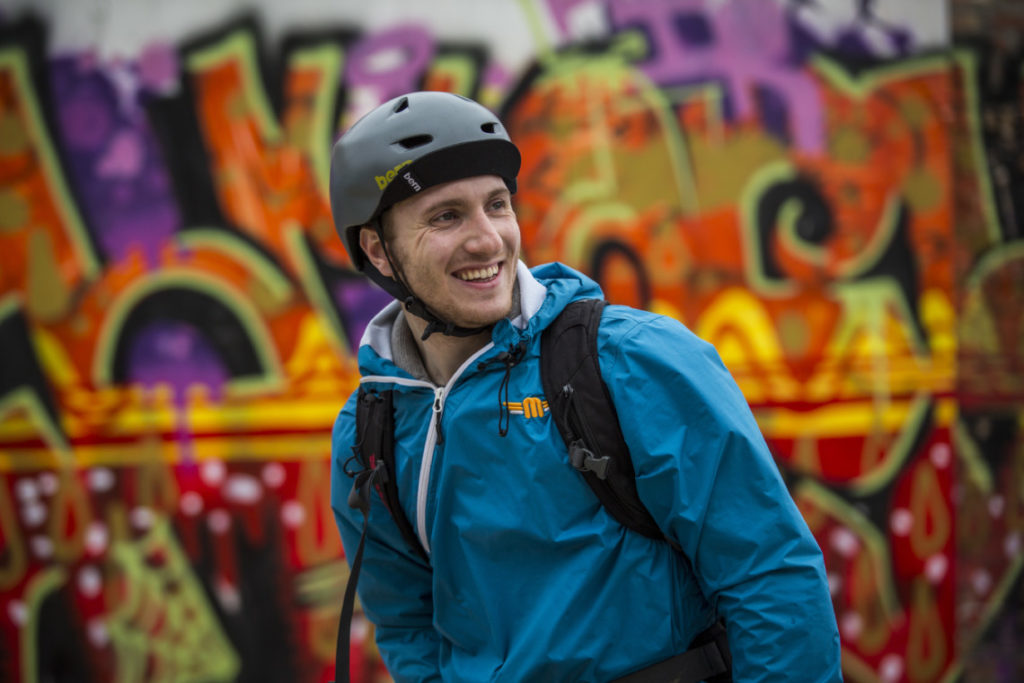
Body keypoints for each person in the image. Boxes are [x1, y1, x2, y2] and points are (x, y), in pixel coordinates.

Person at [328, 91, 842, 682]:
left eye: (497, 205)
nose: (489, 240)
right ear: (378, 251)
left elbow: (769, 574)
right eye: (446, 216)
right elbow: (407, 623)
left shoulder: (630, 361)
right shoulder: (373, 429)